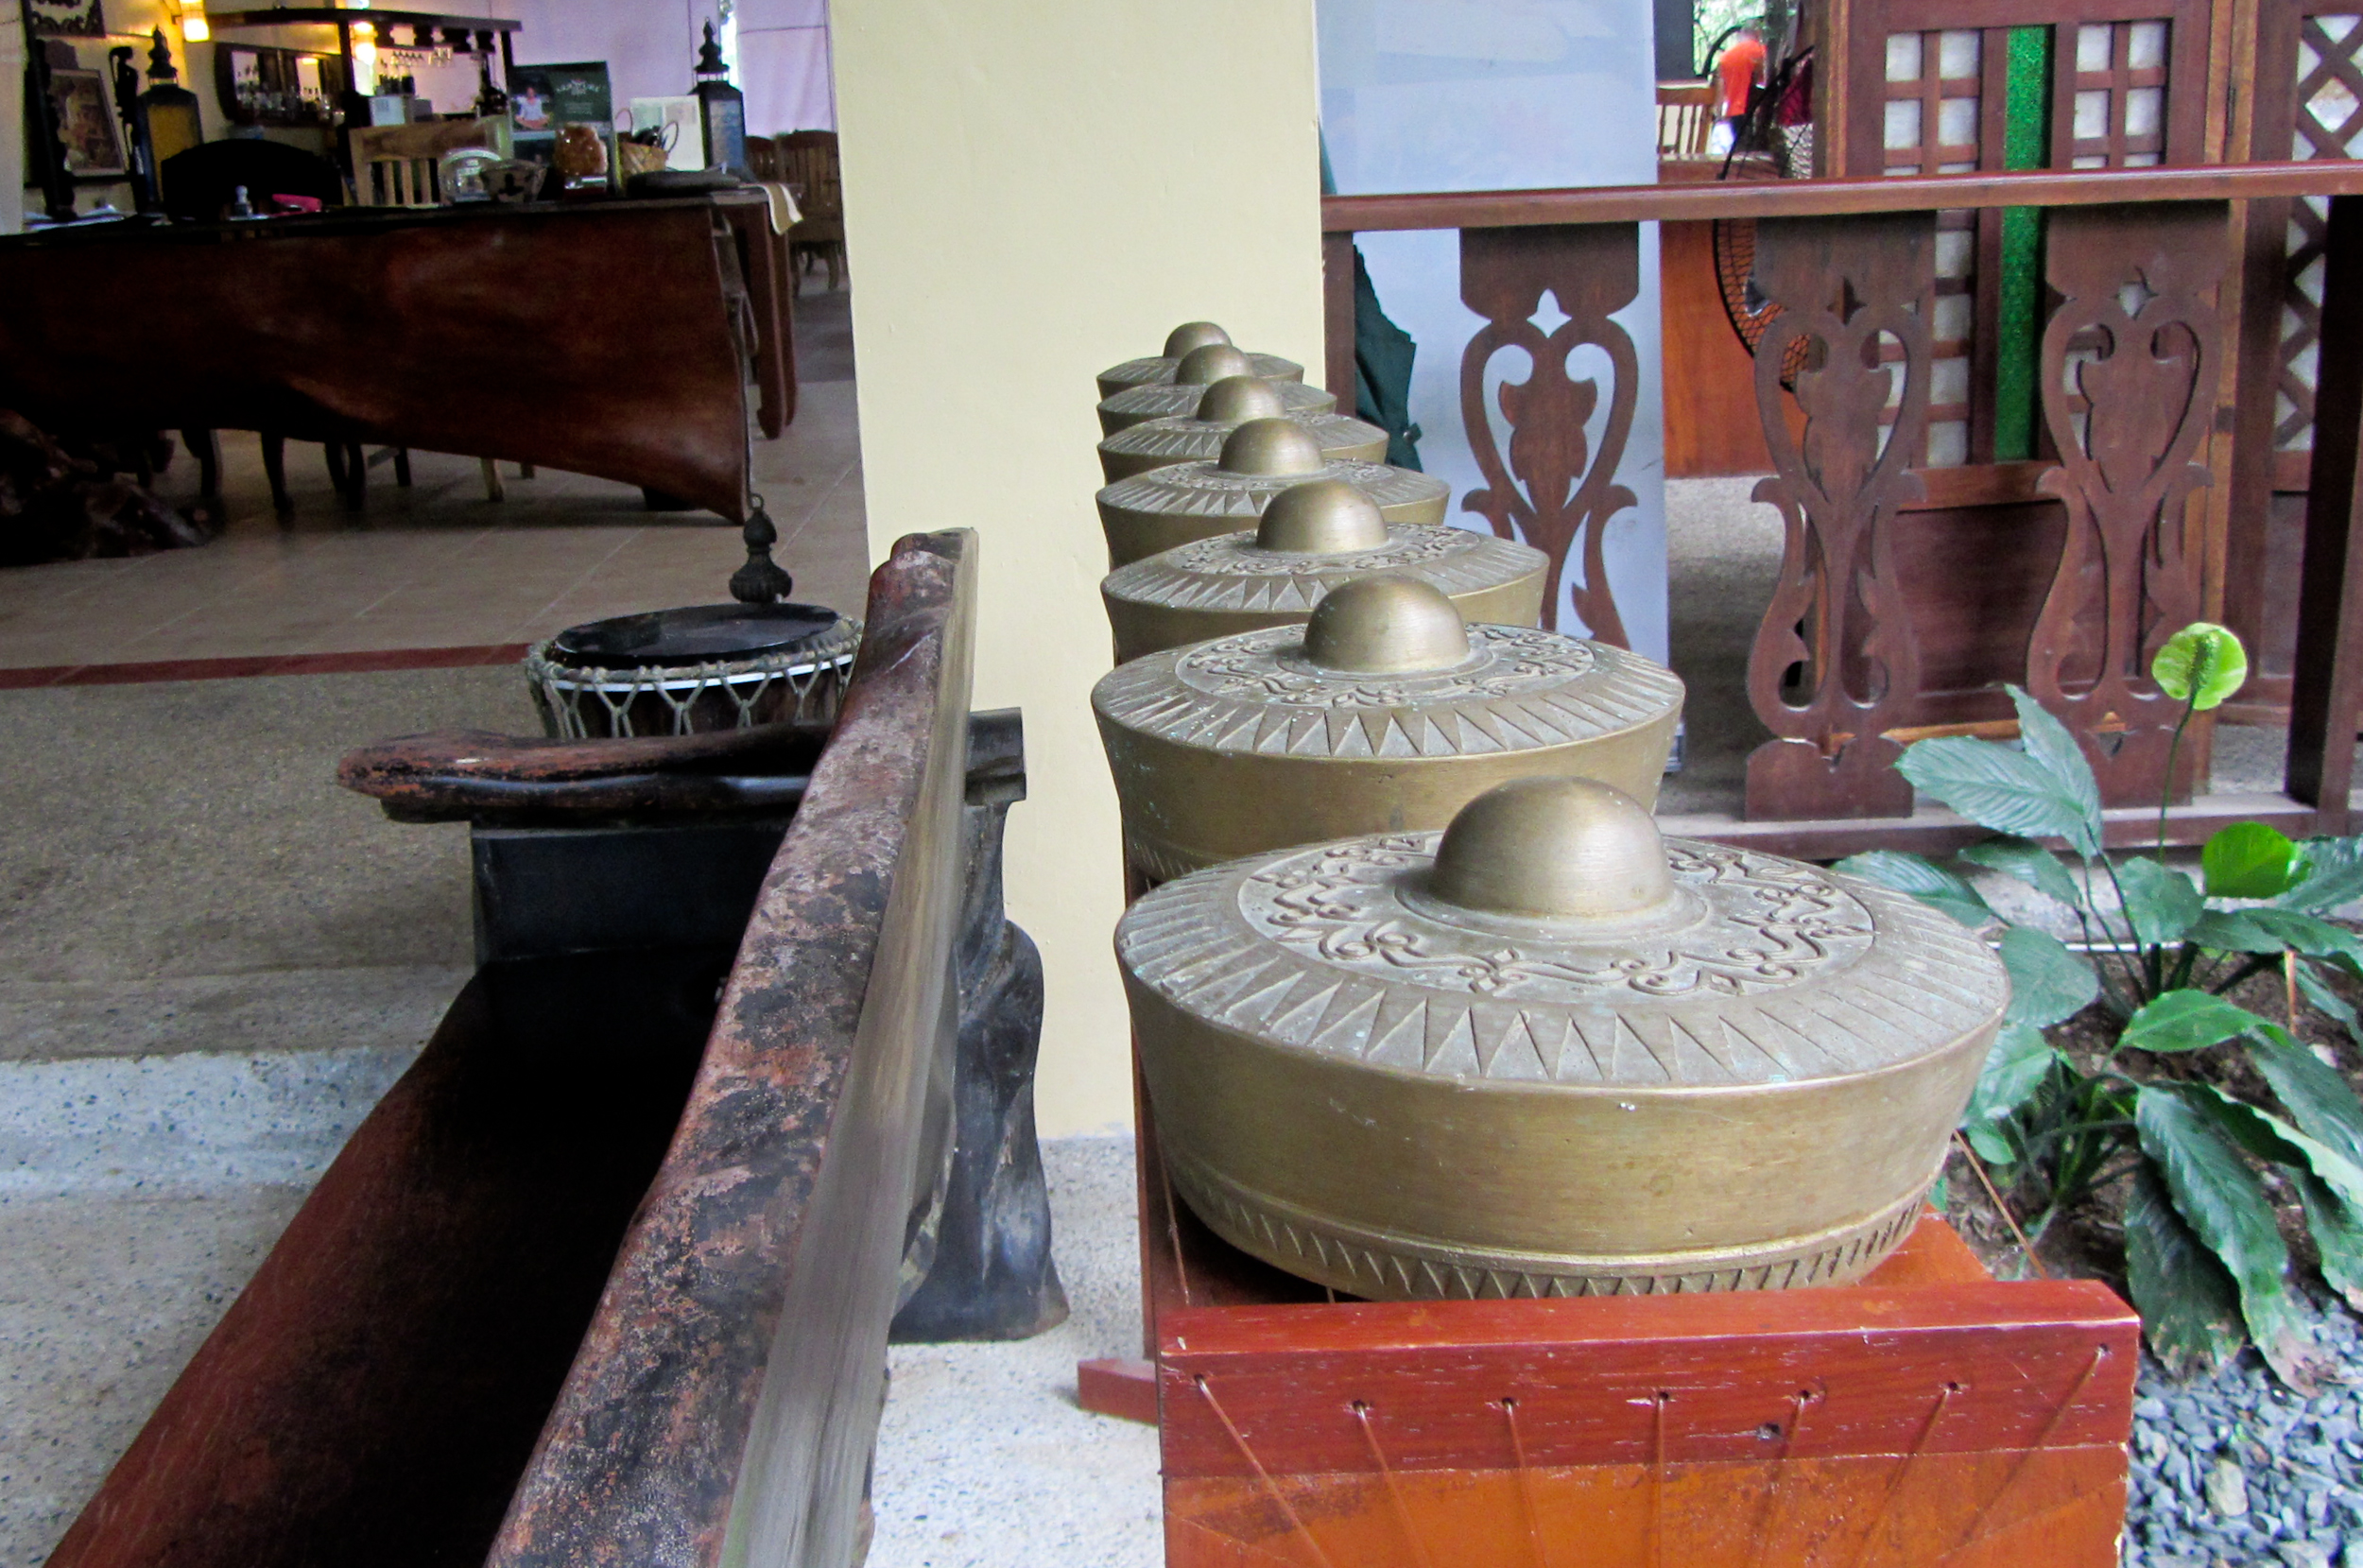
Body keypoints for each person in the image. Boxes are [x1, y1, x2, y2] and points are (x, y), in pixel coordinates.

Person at [1710, 26, 1767, 156]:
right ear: (1758, 34)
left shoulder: (1725, 57)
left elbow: (1719, 87)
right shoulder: (1762, 52)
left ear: (1740, 36)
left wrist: (1718, 116)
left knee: (1734, 155)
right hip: (1753, 111)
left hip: (1732, 112)